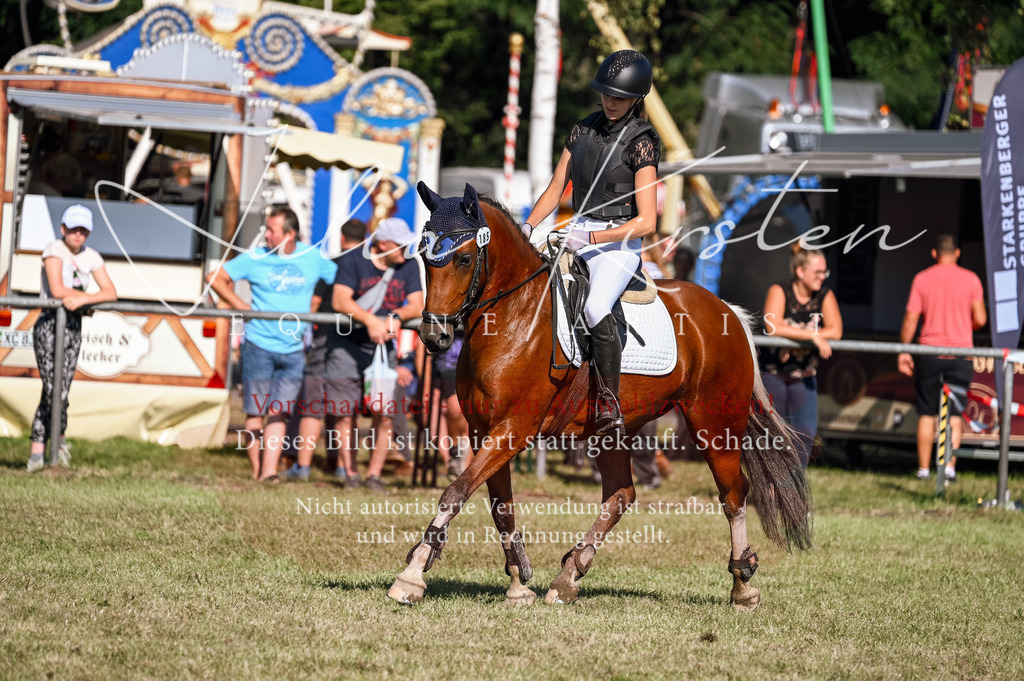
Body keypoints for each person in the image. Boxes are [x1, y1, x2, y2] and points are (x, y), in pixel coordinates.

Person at [522, 49, 660, 437]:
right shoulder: (582, 130)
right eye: (605, 94)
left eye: (619, 96)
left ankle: (609, 402)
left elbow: (647, 221)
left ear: (637, 99)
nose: (610, 102)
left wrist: (592, 237)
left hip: (617, 242)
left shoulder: (643, 143)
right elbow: (554, 189)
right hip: (576, 228)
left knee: (596, 305)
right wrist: (529, 227)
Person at [207, 206, 337, 483]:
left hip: (293, 350)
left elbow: (341, 279)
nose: (266, 235)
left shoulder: (312, 257)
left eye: (272, 230)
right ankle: (258, 469)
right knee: (256, 411)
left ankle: (269, 471)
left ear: (290, 234)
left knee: (279, 411)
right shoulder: (255, 257)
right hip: (258, 345)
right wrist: (242, 306)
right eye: (267, 229)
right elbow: (214, 278)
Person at [325, 217, 424, 493]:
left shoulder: (409, 265)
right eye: (400, 245)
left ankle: (374, 475)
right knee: (345, 413)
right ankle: (351, 474)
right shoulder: (353, 260)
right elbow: (339, 300)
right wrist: (371, 321)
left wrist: (394, 317)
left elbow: (417, 305)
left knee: (385, 412)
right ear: (382, 244)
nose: (406, 250)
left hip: (383, 350)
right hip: (345, 347)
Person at [28, 205, 118, 471]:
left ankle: (48, 452)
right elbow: (56, 290)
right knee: (54, 390)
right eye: (74, 229)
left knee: (62, 391)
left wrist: (83, 300)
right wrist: (87, 301)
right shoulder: (53, 250)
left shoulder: (92, 256)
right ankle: (46, 450)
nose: (78, 235)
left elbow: (110, 292)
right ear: (63, 228)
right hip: (49, 324)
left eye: (84, 230)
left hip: (73, 325)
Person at [283, 218, 367, 482]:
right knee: (345, 409)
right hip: (354, 341)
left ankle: (304, 467)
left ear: (342, 239)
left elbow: (315, 302)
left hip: (324, 340)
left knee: (312, 404)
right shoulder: (366, 267)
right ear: (364, 239)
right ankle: (344, 466)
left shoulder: (331, 264)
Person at [897, 234, 986, 481]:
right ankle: (949, 468)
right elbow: (980, 319)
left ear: (934, 253)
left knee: (927, 413)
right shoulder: (971, 279)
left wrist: (904, 349)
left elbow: (911, 318)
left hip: (929, 353)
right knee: (955, 414)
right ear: (957, 253)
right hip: (960, 354)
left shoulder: (922, 278)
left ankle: (924, 470)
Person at [761, 246, 843, 467]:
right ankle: (770, 490)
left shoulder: (824, 294)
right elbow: (772, 326)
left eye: (824, 272)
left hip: (805, 375)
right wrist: (812, 337)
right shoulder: (780, 290)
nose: (822, 277)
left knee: (805, 435)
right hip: (774, 374)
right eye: (817, 272)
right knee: (773, 434)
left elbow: (835, 330)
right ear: (800, 271)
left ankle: (794, 492)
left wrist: (796, 339)